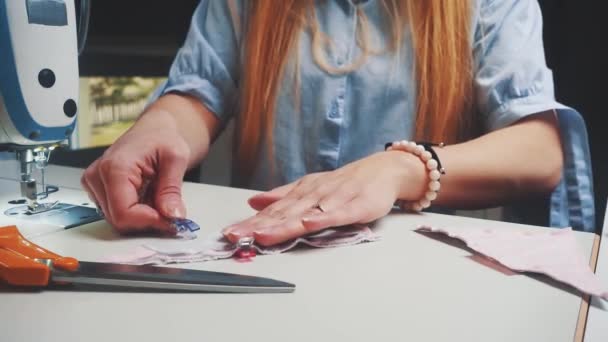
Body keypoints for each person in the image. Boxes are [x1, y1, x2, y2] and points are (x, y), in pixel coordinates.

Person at [81, 0, 589, 246]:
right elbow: (198, 91)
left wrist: (402, 169)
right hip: (262, 268)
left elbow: (541, 150)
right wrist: (161, 127)